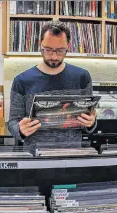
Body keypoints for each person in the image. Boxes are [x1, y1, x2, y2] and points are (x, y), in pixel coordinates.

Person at [8, 21, 97, 153]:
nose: (54, 56)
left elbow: (90, 123)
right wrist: (20, 130)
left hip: (72, 155)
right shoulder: (22, 81)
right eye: (48, 50)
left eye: (60, 50)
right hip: (34, 157)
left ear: (68, 46)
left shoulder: (82, 77)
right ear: (40, 45)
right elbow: (12, 123)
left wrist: (91, 123)